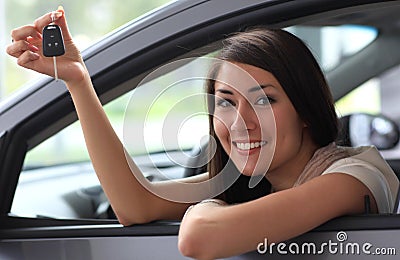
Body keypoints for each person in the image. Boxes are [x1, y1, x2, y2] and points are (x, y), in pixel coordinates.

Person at [7, 7, 399, 259]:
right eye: (226, 102)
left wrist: (210, 204)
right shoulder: (251, 180)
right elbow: (137, 206)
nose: (240, 122)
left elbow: (200, 238)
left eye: (264, 101)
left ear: (306, 111)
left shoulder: (356, 175)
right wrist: (78, 81)